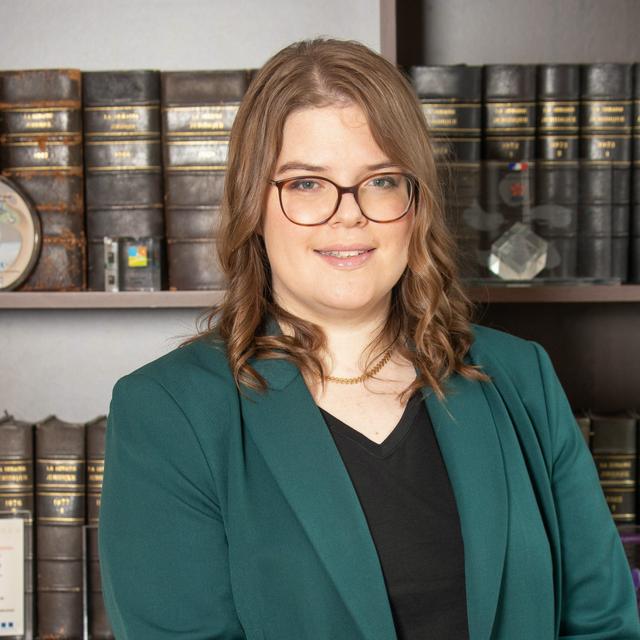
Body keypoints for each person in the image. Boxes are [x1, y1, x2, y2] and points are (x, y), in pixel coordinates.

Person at [98, 37, 640, 640]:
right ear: (253, 204)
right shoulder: (169, 412)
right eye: (306, 183)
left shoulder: (521, 377)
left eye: (380, 180)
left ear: (415, 202)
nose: (348, 213)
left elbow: (602, 624)